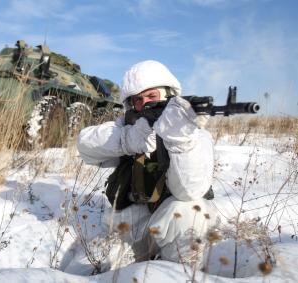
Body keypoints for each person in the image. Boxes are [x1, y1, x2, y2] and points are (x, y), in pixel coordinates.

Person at [76, 60, 216, 268]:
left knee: (192, 210)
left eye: (152, 96)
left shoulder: (194, 135)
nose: (145, 104)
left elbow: (189, 190)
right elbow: (85, 145)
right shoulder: (129, 127)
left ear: (169, 96)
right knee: (111, 269)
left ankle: (178, 273)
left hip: (171, 221)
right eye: (138, 100)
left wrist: (179, 140)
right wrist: (129, 139)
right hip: (131, 222)